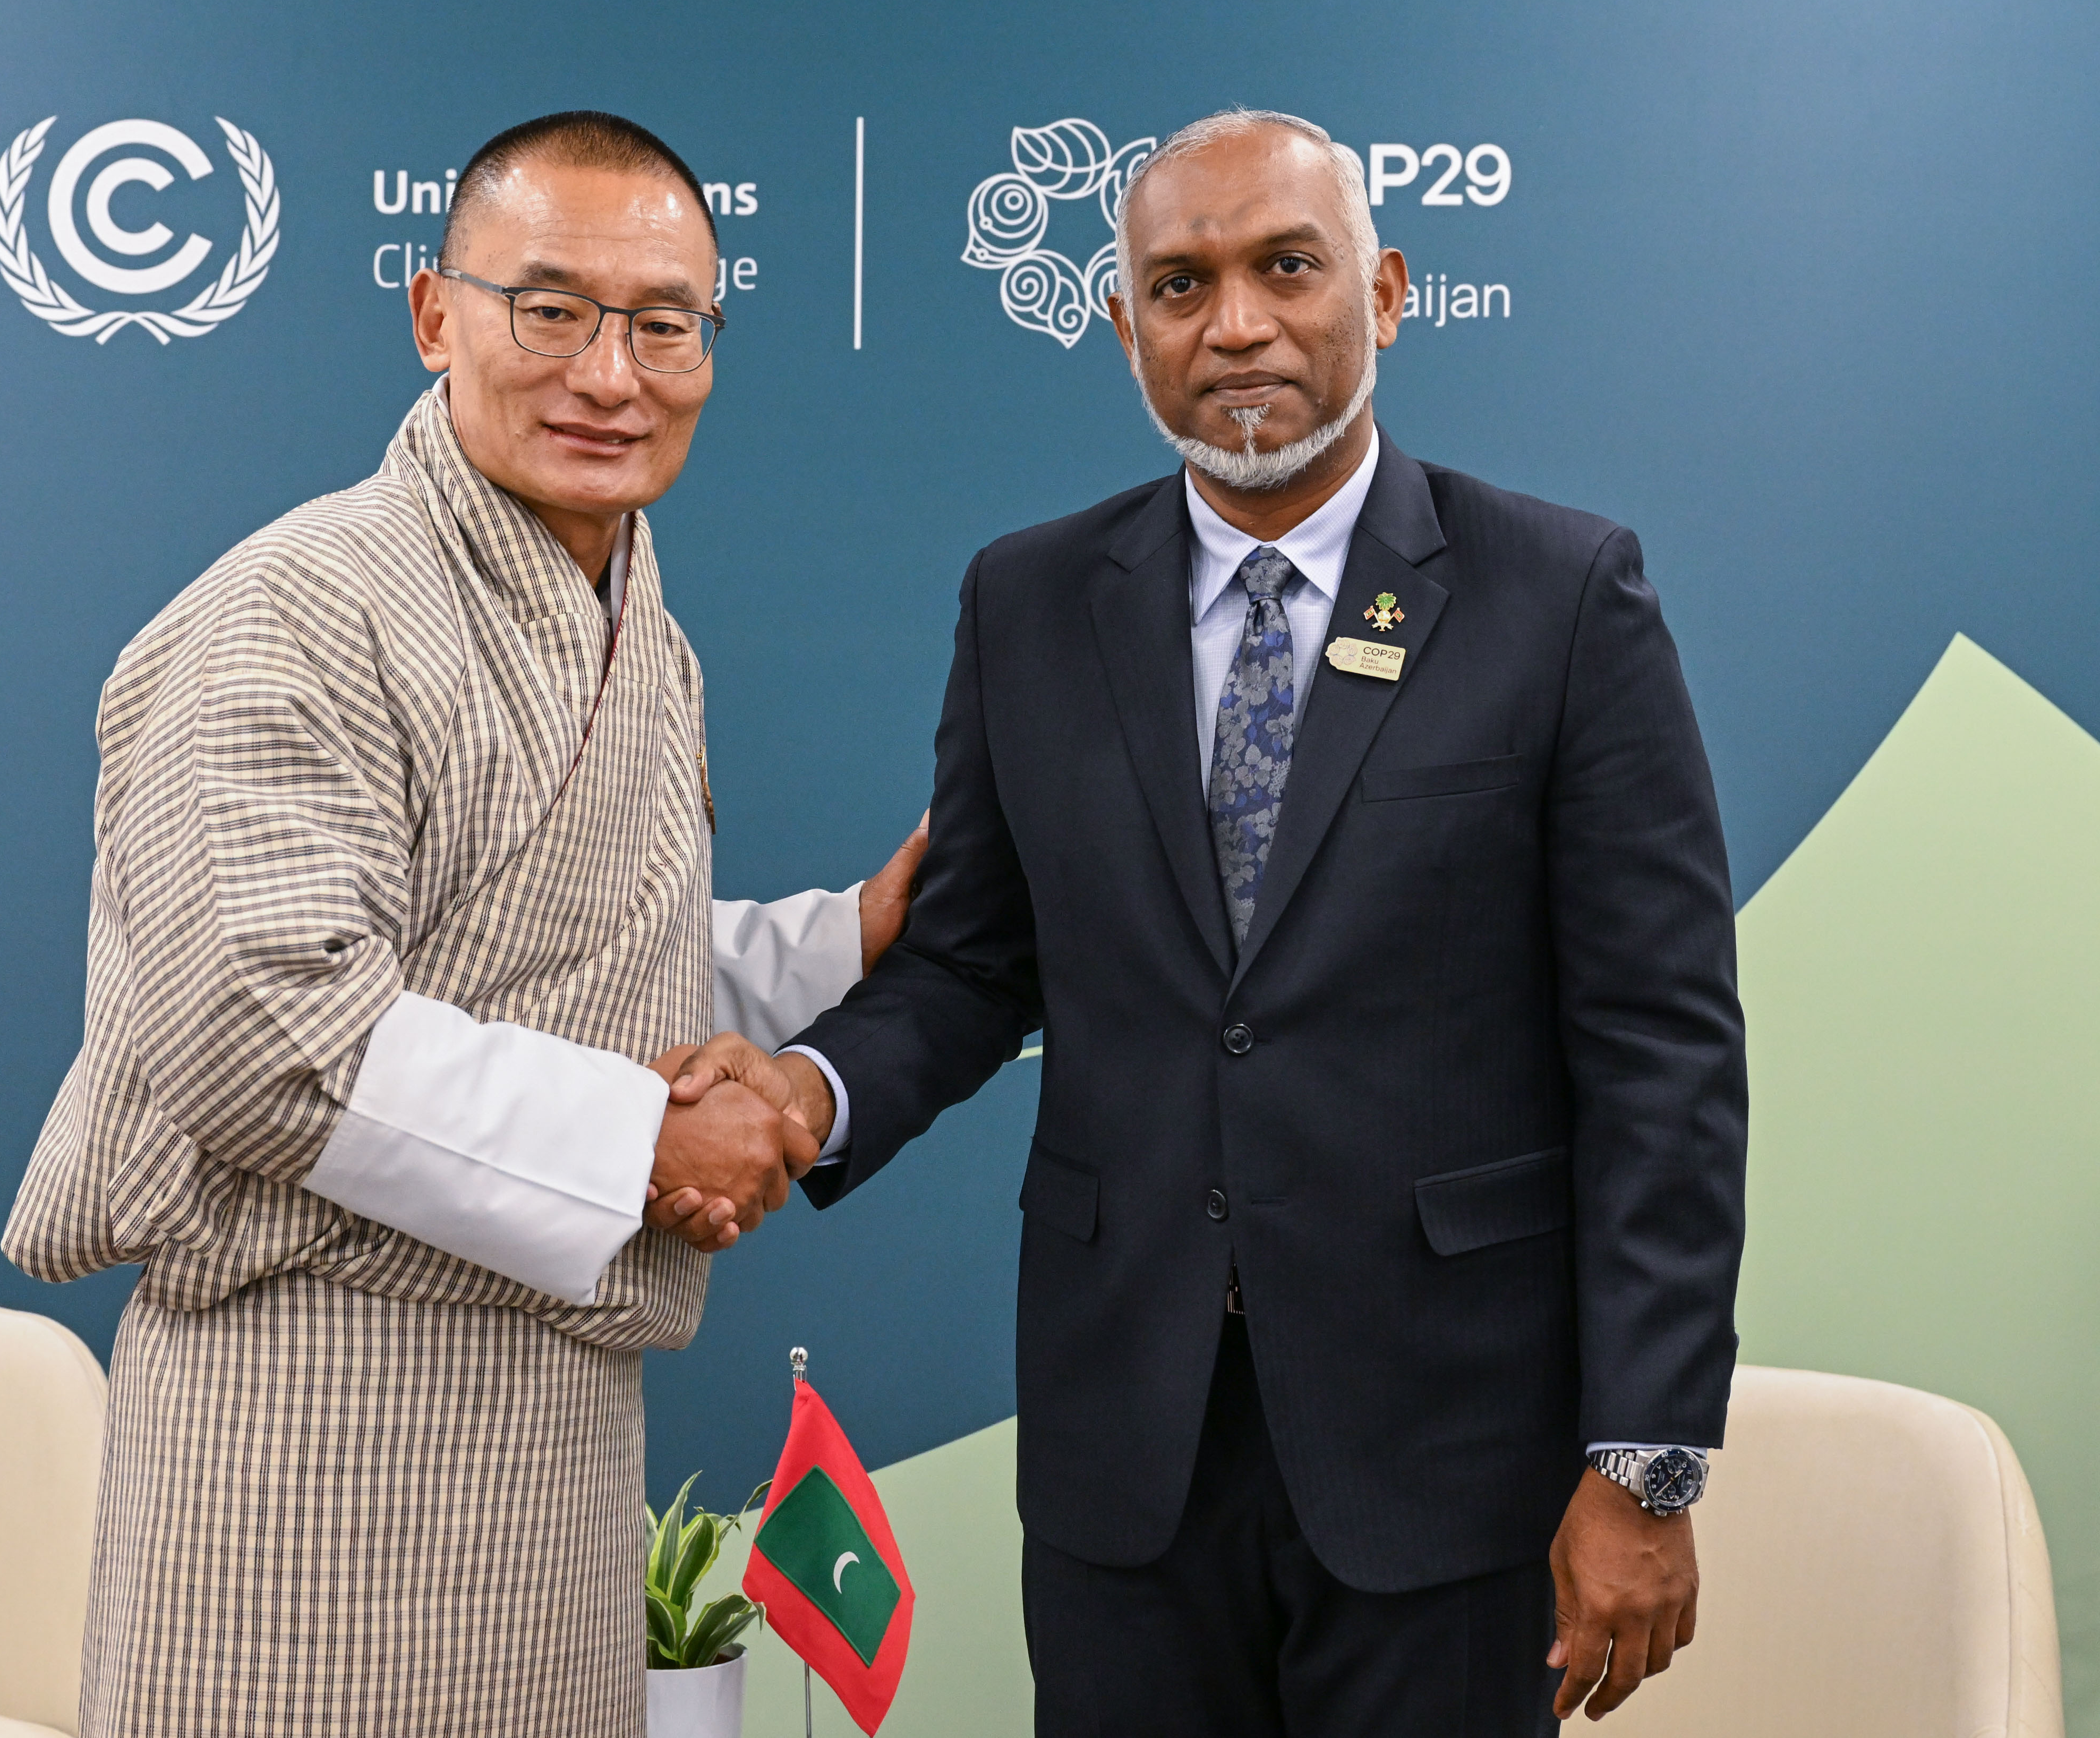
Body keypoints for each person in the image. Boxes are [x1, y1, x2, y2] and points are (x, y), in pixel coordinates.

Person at [671, 108, 1746, 1734]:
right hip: (1127, 1456)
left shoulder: (1560, 597)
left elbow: (1660, 1058)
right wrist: (805, 1096)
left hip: (1448, 1460)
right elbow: (967, 963)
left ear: (1381, 294)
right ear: (1122, 327)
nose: (1232, 323)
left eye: (1283, 268)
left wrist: (1644, 1468)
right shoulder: (1027, 602)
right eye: (1178, 284)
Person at [2, 110, 919, 1737]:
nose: (609, 373)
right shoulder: (292, 608)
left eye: (662, 323)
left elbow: (562, 951)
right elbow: (268, 1033)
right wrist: (651, 1141)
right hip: (310, 1408)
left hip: (554, 1414)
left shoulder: (638, 621)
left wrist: (851, 936)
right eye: (548, 308)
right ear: (436, 315)